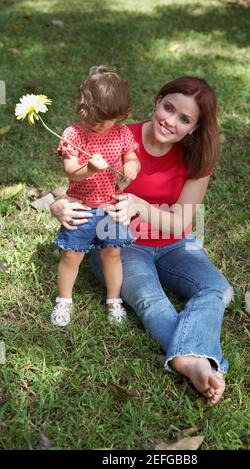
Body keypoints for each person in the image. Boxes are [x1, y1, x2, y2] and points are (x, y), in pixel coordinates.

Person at [51, 75, 233, 406]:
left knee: (218, 289)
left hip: (175, 243)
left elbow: (180, 222)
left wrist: (140, 206)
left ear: (193, 128)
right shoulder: (119, 136)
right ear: (157, 100)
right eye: (168, 107)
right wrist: (58, 204)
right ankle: (193, 362)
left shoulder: (196, 158)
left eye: (184, 119)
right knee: (151, 299)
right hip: (119, 245)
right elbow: (79, 183)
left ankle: (189, 352)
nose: (170, 121)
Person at [51, 65, 140, 327]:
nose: (99, 126)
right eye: (94, 119)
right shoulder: (74, 135)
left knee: (112, 254)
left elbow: (131, 156)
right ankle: (64, 300)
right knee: (71, 255)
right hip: (81, 207)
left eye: (107, 121)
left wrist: (131, 167)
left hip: (110, 207)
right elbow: (71, 171)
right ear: (82, 109)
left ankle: (114, 300)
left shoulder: (122, 134)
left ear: (120, 117)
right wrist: (89, 167)